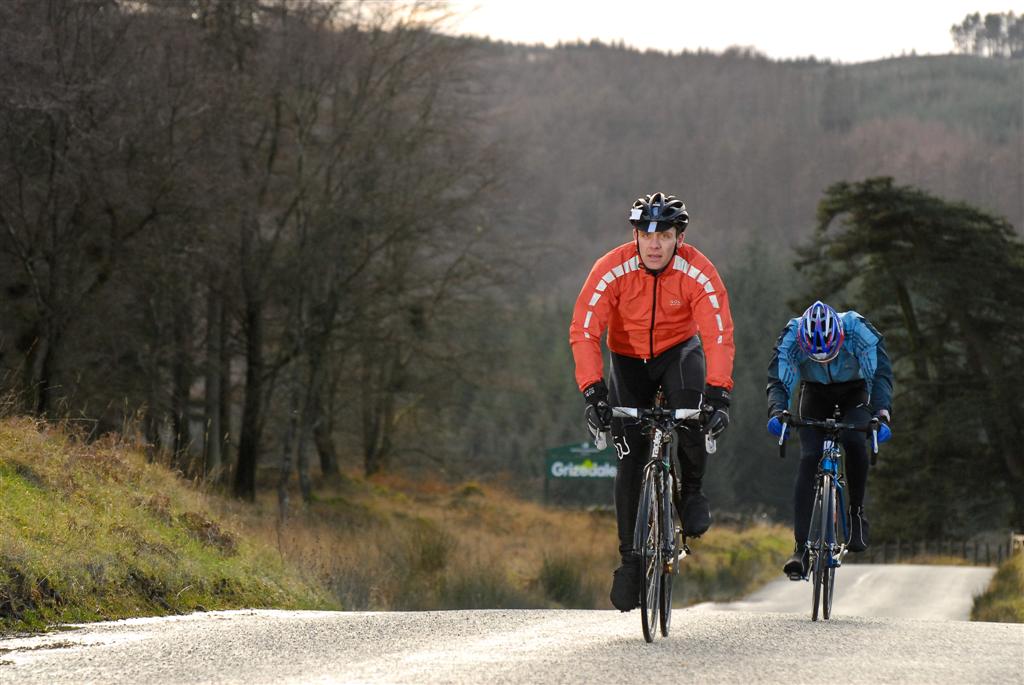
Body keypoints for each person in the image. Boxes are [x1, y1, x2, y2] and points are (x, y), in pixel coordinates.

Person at [569, 192, 735, 611]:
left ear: (680, 237)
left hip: (679, 352)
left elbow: (718, 334)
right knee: (630, 459)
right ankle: (630, 561)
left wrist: (719, 394)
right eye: (646, 234)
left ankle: (691, 492)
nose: (655, 244)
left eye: (664, 235)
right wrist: (593, 391)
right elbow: (584, 331)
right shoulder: (611, 268)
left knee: (692, 411)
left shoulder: (698, 271)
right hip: (627, 360)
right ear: (635, 236)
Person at [766, 300, 894, 578]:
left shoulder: (858, 329)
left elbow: (879, 374)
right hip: (815, 392)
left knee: (853, 440)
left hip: (855, 391)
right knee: (809, 457)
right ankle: (800, 549)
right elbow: (779, 379)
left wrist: (881, 413)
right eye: (817, 356)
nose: (824, 359)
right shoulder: (792, 336)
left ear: (840, 336)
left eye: (830, 353)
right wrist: (778, 411)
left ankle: (856, 512)